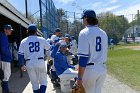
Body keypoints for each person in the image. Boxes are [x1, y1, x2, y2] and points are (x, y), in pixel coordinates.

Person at [77, 10, 108, 93]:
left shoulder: (84, 32)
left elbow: (83, 57)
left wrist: (79, 77)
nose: (83, 20)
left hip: (90, 70)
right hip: (102, 68)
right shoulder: (103, 33)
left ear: (86, 18)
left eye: (83, 18)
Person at [18, 24, 51, 93]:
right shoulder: (41, 39)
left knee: (34, 83)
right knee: (43, 82)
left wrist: (21, 64)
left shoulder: (23, 41)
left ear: (28, 31)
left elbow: (20, 54)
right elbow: (48, 48)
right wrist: (48, 57)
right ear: (36, 31)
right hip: (40, 61)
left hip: (29, 63)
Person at [0, 25, 13, 93]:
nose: (11, 31)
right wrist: (10, 57)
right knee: (5, 76)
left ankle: (6, 90)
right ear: (5, 29)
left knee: (5, 76)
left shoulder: (4, 36)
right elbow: (3, 49)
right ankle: (6, 91)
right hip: (4, 59)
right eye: (9, 29)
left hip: (4, 59)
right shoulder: (2, 37)